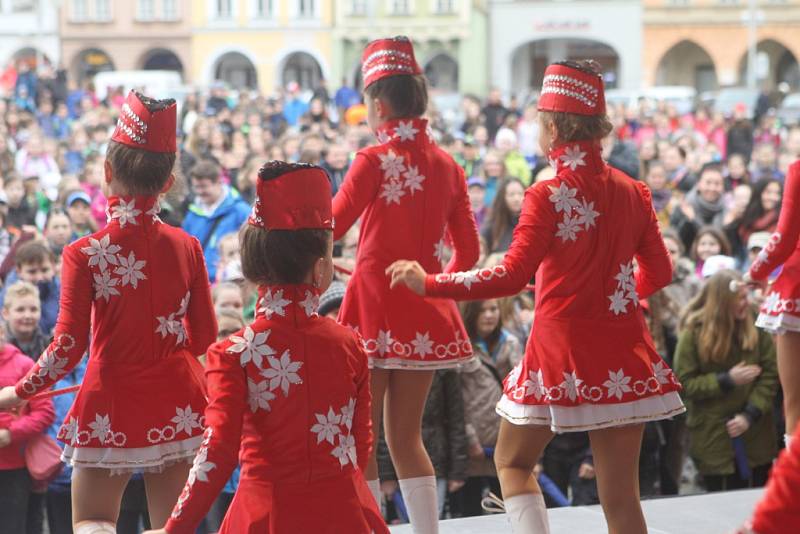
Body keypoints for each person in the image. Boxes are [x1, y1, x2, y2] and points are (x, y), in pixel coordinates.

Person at [388, 60, 684, 534]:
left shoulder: (547, 193)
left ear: (551, 127)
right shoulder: (635, 192)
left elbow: (509, 276)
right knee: (622, 496)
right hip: (625, 355)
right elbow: (661, 272)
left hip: (559, 356)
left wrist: (431, 283)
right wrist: (615, 299)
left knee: (511, 461)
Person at [0, 91, 218, 534]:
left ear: (106, 173)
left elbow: (67, 346)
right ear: (169, 182)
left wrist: (20, 391)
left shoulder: (84, 253)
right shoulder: (189, 247)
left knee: (94, 522)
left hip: (110, 400)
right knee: (170, 528)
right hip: (177, 400)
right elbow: (203, 339)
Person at [148, 161, 388, 534]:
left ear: (253, 266)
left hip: (265, 515)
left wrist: (174, 527)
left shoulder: (234, 352)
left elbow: (217, 452)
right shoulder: (350, 344)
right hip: (343, 513)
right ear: (321, 269)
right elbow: (361, 442)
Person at [332, 36, 480, 534]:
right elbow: (470, 255)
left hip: (372, 309)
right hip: (424, 312)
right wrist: (432, 284)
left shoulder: (371, 161)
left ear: (377, 105)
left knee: (361, 436)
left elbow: (330, 227)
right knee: (405, 435)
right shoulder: (448, 166)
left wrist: (325, 260)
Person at [675, 270, 778, 491]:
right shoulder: (694, 332)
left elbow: (770, 374)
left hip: (756, 436)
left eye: (746, 296)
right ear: (722, 300)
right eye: (739, 298)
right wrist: (726, 380)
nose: (745, 302)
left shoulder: (757, 324)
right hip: (714, 438)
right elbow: (684, 383)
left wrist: (750, 414)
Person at [746, 160, 800, 450]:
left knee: (796, 405)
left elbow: (785, 237)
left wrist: (754, 273)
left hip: (797, 288)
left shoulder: (799, 170)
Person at [455, 299, 522, 517]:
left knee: (508, 512)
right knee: (470, 514)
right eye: (482, 310)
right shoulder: (459, 346)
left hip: (506, 441)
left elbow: (523, 396)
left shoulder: (511, 343)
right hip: (472, 447)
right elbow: (456, 402)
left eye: (493, 309)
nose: (489, 315)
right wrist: (469, 438)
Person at [0, 322, 55, 534]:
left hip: (15, 467)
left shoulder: (23, 365)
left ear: (3, 332)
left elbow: (45, 412)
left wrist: (11, 433)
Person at [182, 160, 251, 282]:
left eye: (204, 186)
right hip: (200, 281)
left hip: (230, 281)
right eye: (196, 187)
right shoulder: (192, 214)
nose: (199, 192)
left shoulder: (240, 211)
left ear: (219, 182)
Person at [0, 241, 61, 335]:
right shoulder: (7, 297)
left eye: (45, 270)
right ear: (19, 271)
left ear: (53, 267)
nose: (39, 277)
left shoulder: (63, 291)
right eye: (32, 272)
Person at [670, 163, 728, 253]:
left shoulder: (726, 210)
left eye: (717, 184)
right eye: (708, 183)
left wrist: (694, 219)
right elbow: (675, 238)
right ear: (699, 184)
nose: (712, 188)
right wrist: (688, 221)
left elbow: (719, 239)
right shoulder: (685, 205)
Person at [482, 178, 524, 254]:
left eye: (520, 194)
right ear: (502, 197)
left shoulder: (532, 224)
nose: (516, 199)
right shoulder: (493, 226)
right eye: (511, 194)